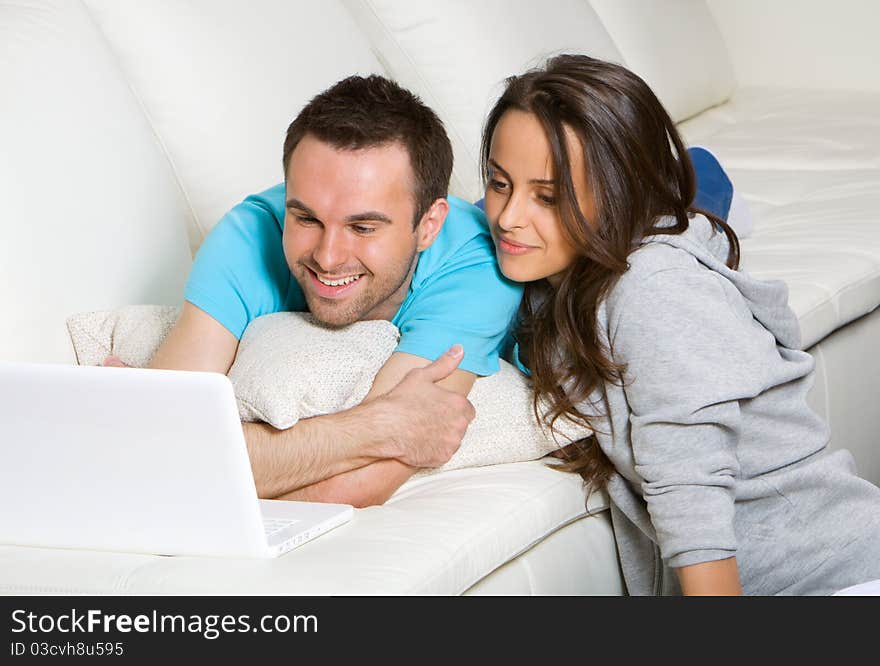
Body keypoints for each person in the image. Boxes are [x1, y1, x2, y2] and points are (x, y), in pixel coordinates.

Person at [479, 53, 880, 595]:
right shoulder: (551, 282)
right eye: (499, 184)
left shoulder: (652, 285)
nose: (508, 217)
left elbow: (690, 485)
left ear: (620, 194)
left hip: (833, 580)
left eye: (548, 197)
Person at [127, 74, 524, 508]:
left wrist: (200, 460)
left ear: (429, 224)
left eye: (363, 227)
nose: (329, 257)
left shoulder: (476, 263)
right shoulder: (249, 234)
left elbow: (358, 485)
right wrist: (376, 427)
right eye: (307, 219)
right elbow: (156, 443)